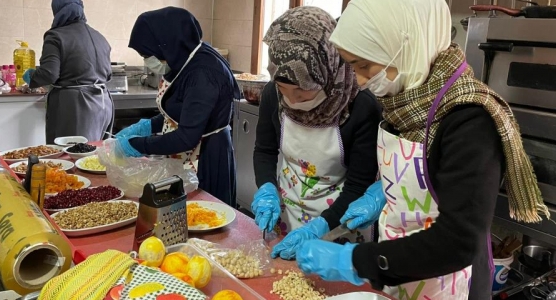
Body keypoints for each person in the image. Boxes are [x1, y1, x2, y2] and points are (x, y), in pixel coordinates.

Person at [295, 0, 550, 299]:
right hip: (397, 277)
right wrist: (383, 194)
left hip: (446, 284)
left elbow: (458, 242)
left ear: (406, 45)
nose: (361, 82)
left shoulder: (470, 119)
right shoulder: (404, 100)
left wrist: (353, 260)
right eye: (353, 67)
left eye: (365, 66)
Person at [251, 7, 382, 260]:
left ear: (327, 72)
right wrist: (266, 186)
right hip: (286, 216)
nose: (291, 100)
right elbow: (265, 150)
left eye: (301, 91)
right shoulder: (272, 95)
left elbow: (358, 186)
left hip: (339, 225)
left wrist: (320, 227)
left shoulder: (360, 106)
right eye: (283, 88)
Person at [117, 7, 241, 207]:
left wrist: (138, 145)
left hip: (206, 157)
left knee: (203, 216)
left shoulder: (204, 73)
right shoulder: (183, 60)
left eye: (149, 55)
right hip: (187, 153)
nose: (148, 61)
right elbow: (182, 112)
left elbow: (186, 137)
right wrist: (149, 125)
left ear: (166, 44)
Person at [23, 0, 113, 144]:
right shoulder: (99, 36)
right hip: (103, 104)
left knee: (68, 157)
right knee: (94, 157)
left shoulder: (56, 35)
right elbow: (108, 74)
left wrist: (32, 76)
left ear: (58, 11)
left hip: (76, 106)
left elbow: (49, 74)